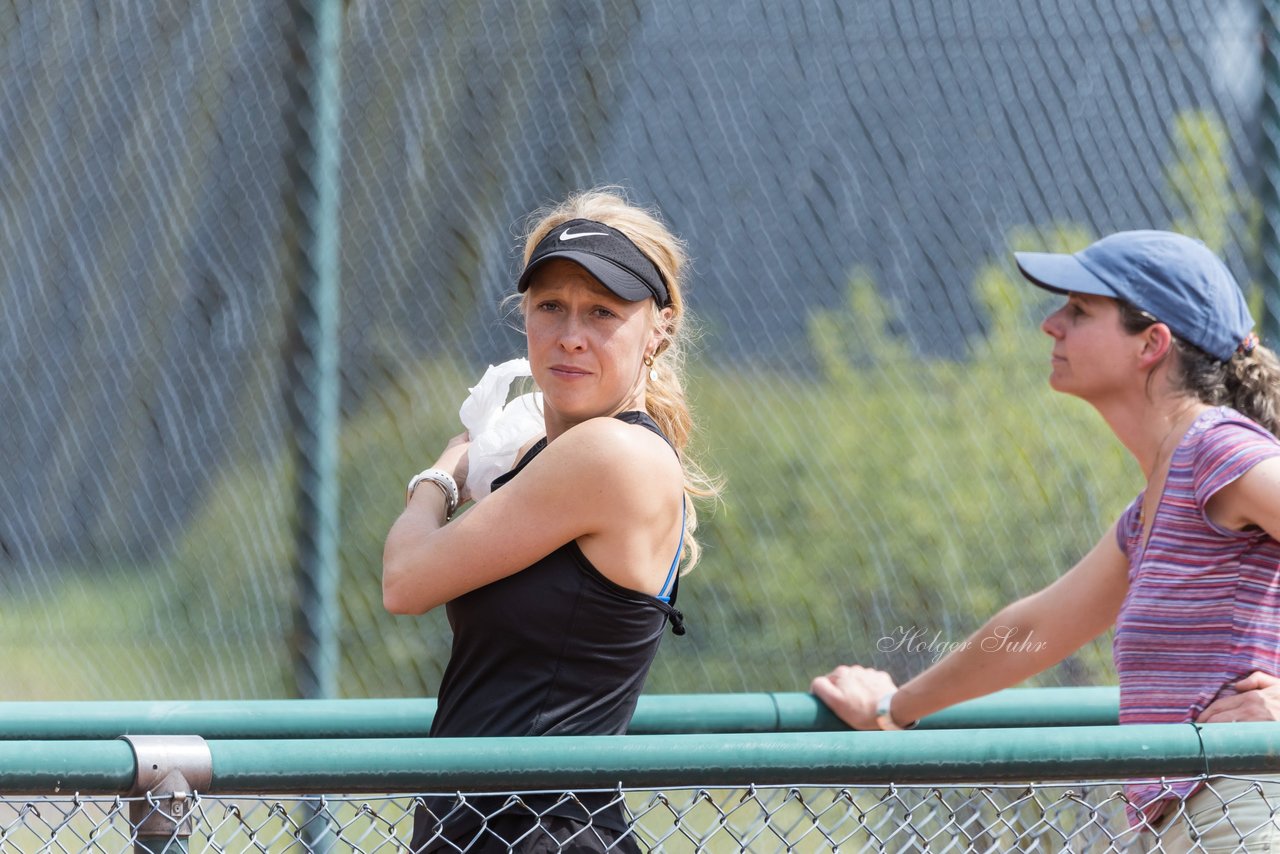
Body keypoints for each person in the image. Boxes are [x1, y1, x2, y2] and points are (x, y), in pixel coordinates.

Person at [810, 231, 1280, 852]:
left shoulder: (1220, 449)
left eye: (1081, 311)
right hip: (1183, 819)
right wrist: (892, 709)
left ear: (1152, 343)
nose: (1050, 325)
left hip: (1242, 808)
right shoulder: (1152, 509)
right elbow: (1033, 629)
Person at [383, 188, 716, 853]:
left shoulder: (609, 453)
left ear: (660, 328)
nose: (570, 336)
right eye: (551, 307)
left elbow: (405, 580)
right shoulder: (546, 455)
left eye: (602, 312)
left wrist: (442, 474)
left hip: (543, 835)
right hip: (479, 829)